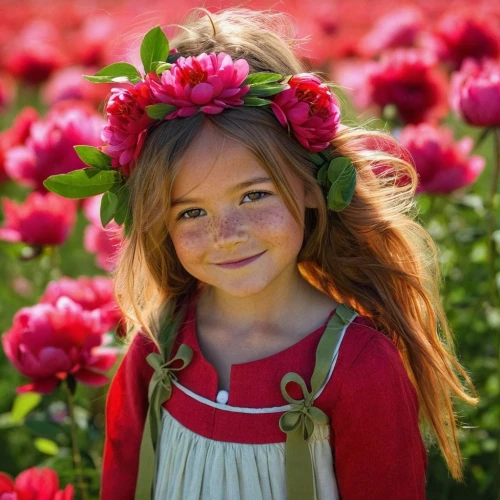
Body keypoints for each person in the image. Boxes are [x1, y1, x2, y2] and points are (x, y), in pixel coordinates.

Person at [53, 7, 478, 500]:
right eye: (190, 212)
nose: (227, 234)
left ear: (312, 189)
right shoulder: (158, 345)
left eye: (254, 196)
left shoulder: (359, 367)